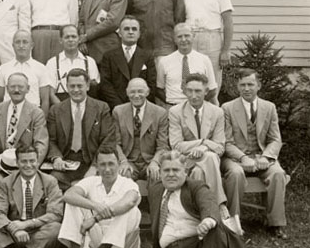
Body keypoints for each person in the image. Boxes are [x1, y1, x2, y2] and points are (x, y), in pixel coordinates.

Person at [221, 69, 288, 238]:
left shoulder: (269, 107)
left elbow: (275, 139)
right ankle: (233, 223)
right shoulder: (227, 108)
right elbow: (226, 142)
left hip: (261, 156)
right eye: (242, 85)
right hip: (236, 158)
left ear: (258, 86)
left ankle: (275, 223)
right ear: (237, 87)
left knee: (278, 174)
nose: (246, 88)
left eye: (250, 84)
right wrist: (243, 158)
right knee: (235, 174)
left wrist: (266, 156)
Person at [59, 150, 141, 248]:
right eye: (102, 164)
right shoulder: (92, 181)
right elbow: (68, 195)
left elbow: (129, 202)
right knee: (73, 203)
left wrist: (95, 218)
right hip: (97, 239)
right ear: (97, 166)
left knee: (131, 210)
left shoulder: (128, 184)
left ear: (119, 165)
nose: (107, 169)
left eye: (111, 164)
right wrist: (95, 206)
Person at [0, 146, 63, 248]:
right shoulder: (6, 183)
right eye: (24, 161)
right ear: (17, 163)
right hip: (13, 232)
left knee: (57, 228)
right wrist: (15, 229)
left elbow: (56, 214)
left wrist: (27, 224)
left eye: (32, 161)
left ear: (38, 161)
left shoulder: (50, 181)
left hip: (37, 231)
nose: (28, 165)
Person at [47, 69, 116, 192]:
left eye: (80, 86)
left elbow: (108, 140)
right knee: (52, 182)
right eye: (72, 86)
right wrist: (56, 157)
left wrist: (95, 166)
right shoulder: (55, 110)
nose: (76, 90)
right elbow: (51, 140)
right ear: (66, 87)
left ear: (88, 86)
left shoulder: (101, 108)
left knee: (95, 187)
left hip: (91, 162)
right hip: (65, 164)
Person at [169, 74, 228, 212]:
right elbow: (176, 145)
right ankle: (220, 205)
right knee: (210, 157)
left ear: (206, 91)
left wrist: (203, 149)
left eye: (198, 91)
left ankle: (202, 212)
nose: (193, 95)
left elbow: (220, 148)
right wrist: (204, 142)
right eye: (189, 91)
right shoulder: (175, 112)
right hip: (186, 160)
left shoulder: (217, 112)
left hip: (208, 161)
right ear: (184, 91)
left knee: (200, 170)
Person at [183, 0, 234, 92]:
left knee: (212, 85)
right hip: (191, 39)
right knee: (192, 81)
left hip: (212, 39)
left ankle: (212, 112)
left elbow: (228, 22)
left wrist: (226, 50)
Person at [113, 78, 169, 182]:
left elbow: (163, 145)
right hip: (129, 160)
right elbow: (116, 143)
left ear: (147, 92)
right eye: (132, 92)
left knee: (157, 176)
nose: (136, 95)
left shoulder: (160, 113)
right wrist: (123, 161)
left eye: (140, 91)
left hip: (149, 161)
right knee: (123, 176)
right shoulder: (118, 111)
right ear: (127, 92)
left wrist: (155, 162)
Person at [0, 72, 48, 169]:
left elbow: (41, 144)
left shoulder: (36, 113)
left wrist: (32, 167)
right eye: (12, 87)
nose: (16, 90)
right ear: (7, 88)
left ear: (28, 89)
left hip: (26, 165)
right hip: (0, 164)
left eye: (21, 87)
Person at [99, 16, 157, 109]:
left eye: (134, 29)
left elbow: (151, 84)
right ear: (120, 33)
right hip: (116, 107)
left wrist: (139, 105)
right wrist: (120, 107)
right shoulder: (108, 56)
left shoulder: (147, 56)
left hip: (142, 107)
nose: (130, 32)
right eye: (126, 29)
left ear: (139, 34)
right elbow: (106, 84)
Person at [78, 0, 127, 64]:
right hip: (86, 50)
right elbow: (81, 21)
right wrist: (82, 41)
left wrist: (86, 36)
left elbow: (112, 21)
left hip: (106, 50)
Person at [156, 23, 217, 107]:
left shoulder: (204, 60)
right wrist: (171, 103)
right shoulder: (164, 61)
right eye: (179, 36)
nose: (183, 40)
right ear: (174, 39)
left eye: (187, 36)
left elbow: (212, 89)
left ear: (193, 36)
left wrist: (197, 103)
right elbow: (159, 89)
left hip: (197, 106)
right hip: (173, 106)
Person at [0, 30, 52, 114]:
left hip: (33, 114)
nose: (21, 46)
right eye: (18, 42)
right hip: (9, 114)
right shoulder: (3, 68)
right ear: (13, 45)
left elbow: (45, 100)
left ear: (32, 45)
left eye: (25, 42)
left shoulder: (41, 68)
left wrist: (42, 122)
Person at [46, 24, 100, 103]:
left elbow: (95, 90)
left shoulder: (90, 62)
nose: (70, 40)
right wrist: (64, 110)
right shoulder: (52, 63)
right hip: (61, 105)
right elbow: (51, 94)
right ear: (60, 40)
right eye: (67, 37)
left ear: (79, 39)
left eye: (73, 36)